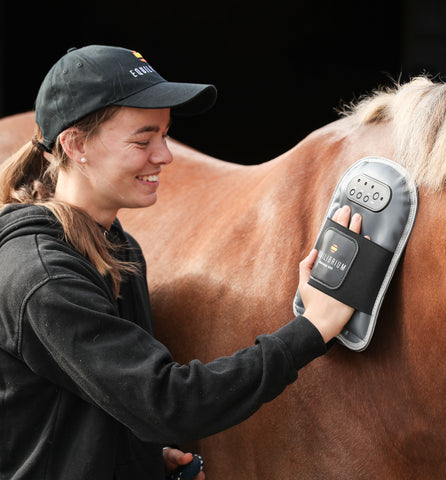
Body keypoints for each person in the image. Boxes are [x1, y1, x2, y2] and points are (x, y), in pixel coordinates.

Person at [0, 45, 360, 479]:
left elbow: (102, 398)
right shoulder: (42, 276)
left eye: (165, 135)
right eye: (143, 139)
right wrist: (312, 329)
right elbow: (167, 404)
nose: (165, 155)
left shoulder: (118, 246)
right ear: (76, 145)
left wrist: (139, 461)